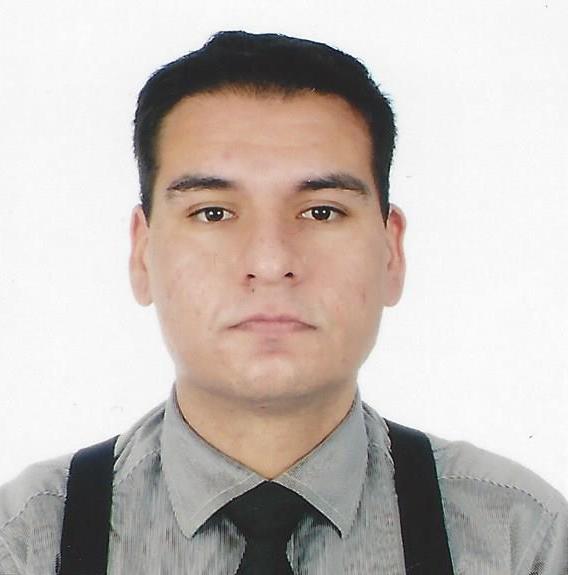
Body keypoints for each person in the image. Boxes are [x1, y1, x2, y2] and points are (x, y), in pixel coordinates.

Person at [0, 30, 566, 575]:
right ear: (142, 253)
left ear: (391, 251)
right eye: (213, 213)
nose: (271, 262)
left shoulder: (520, 540)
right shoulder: (25, 540)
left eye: (322, 211)